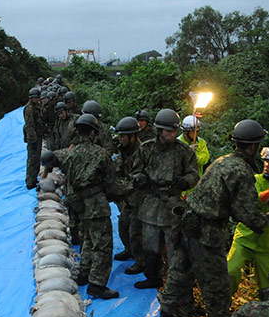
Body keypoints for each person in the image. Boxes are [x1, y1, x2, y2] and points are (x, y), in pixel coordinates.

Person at [158, 119, 269, 317]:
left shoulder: (221, 161)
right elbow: (245, 213)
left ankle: (166, 314)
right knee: (217, 286)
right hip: (207, 232)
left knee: (179, 271)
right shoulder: (242, 171)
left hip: (187, 223)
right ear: (254, 146)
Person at [47, 114, 122, 299]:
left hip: (79, 204)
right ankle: (97, 284)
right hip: (96, 204)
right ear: (93, 133)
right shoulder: (101, 154)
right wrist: (129, 188)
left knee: (88, 239)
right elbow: (112, 184)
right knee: (103, 245)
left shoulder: (70, 154)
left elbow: (50, 158)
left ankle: (84, 273)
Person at [130, 109, 199, 290]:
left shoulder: (183, 151)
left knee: (176, 250)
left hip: (173, 206)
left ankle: (178, 287)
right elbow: (134, 170)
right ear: (160, 130)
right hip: (151, 204)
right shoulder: (146, 148)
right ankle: (153, 277)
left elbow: (194, 174)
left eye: (174, 131)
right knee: (150, 247)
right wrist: (139, 178)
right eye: (168, 131)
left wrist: (185, 181)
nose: (172, 135)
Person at [227, 144, 269, 296]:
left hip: (268, 245)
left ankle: (267, 314)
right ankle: (221, 307)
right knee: (230, 271)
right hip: (245, 237)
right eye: (265, 161)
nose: (267, 165)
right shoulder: (254, 180)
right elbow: (247, 202)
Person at [112, 117, 143, 266]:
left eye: (123, 136)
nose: (120, 139)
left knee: (136, 230)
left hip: (139, 196)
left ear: (132, 137)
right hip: (128, 197)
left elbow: (135, 177)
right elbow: (118, 169)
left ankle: (140, 260)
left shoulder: (141, 153)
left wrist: (120, 190)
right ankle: (129, 250)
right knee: (123, 223)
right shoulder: (124, 150)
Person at [23, 86, 43, 189]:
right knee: (32, 159)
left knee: (36, 159)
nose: (39, 99)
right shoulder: (29, 109)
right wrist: (33, 140)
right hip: (33, 138)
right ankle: (30, 181)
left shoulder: (36, 106)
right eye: (37, 98)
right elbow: (30, 125)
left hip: (37, 136)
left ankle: (34, 179)